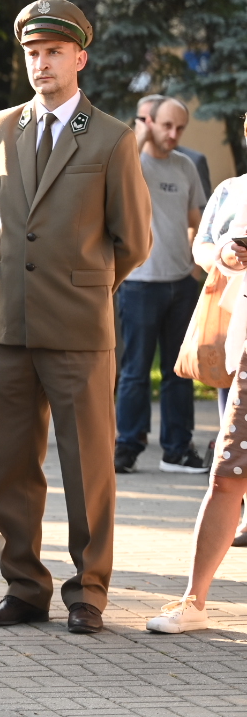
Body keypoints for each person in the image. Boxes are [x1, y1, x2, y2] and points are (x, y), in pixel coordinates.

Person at [0, 0, 151, 635]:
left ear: (80, 58)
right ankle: (24, 587)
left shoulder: (111, 137)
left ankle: (88, 590)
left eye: (54, 51)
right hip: (10, 325)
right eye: (32, 52)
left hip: (78, 326)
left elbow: (133, 240)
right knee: (12, 466)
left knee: (87, 466)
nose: (41, 63)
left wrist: (84, 284)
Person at [146, 218, 247, 633]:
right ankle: (194, 601)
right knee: (226, 476)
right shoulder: (237, 191)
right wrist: (230, 252)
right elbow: (218, 246)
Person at [116, 96, 208, 474]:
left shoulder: (185, 166)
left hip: (181, 284)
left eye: (180, 128)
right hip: (139, 285)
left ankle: (177, 449)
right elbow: (113, 179)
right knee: (135, 371)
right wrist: (139, 134)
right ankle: (127, 446)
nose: (174, 134)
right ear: (148, 121)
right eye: (166, 125)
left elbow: (197, 221)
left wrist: (196, 269)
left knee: (179, 371)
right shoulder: (130, 162)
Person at [192, 123, 247, 545]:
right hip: (234, 322)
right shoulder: (229, 190)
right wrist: (224, 254)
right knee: (234, 421)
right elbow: (202, 245)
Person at [138, 92, 211, 196]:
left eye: (180, 128)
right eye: (143, 120)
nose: (173, 135)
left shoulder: (189, 163)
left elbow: (202, 205)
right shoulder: (131, 160)